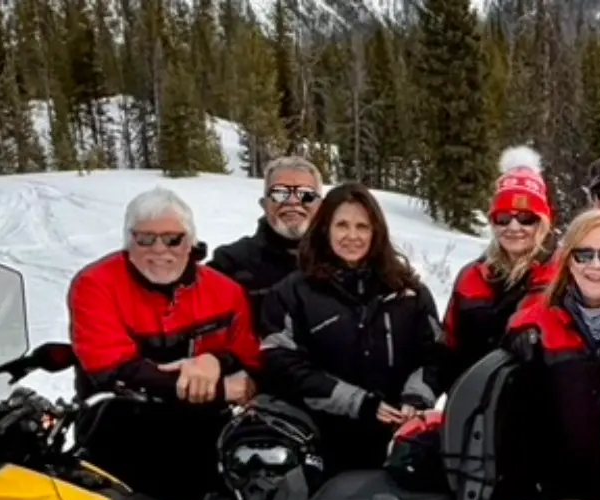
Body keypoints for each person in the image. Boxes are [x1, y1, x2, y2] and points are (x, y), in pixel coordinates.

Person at [68, 187, 261, 500]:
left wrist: (215, 361)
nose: (159, 250)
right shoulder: (95, 286)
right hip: (117, 433)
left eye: (173, 239)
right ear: (128, 242)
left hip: (202, 435)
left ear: (191, 243)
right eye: (145, 238)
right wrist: (220, 389)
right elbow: (112, 370)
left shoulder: (225, 292)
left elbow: (250, 359)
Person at [256, 182, 445, 474]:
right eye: (342, 225)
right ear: (325, 229)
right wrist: (357, 402)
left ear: (376, 232)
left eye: (362, 227)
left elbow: (434, 355)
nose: (352, 236)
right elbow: (280, 363)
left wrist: (415, 399)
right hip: (319, 443)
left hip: (396, 441)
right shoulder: (292, 293)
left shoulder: (409, 292)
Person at [502, 207, 600, 500]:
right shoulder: (531, 327)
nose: (595, 266)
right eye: (583, 255)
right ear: (568, 262)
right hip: (558, 494)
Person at [441, 146, 557, 388]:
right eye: (503, 218)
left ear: (544, 221)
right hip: (475, 409)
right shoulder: (471, 277)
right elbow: (446, 350)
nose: (514, 227)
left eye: (526, 218)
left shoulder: (566, 274)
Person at [209, 156, 324, 309]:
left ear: (321, 205)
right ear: (264, 204)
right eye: (279, 193)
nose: (292, 201)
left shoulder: (340, 259)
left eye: (306, 194)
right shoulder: (231, 263)